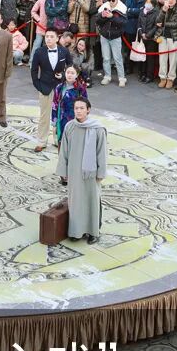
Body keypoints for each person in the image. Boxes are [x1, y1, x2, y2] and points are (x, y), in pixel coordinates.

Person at [57, 97, 108, 244]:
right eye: (76, 108)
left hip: (91, 173)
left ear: (88, 110)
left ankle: (93, 232)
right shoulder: (70, 127)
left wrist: (101, 173)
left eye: (81, 108)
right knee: (76, 202)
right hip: (74, 171)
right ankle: (76, 231)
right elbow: (64, 150)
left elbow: (102, 152)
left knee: (92, 201)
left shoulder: (98, 129)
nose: (78, 111)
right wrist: (64, 171)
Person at [30, 29, 71, 152]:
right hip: (44, 88)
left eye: (51, 36)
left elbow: (70, 67)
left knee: (60, 115)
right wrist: (38, 85)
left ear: (57, 38)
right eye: (47, 36)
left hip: (60, 88)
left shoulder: (64, 51)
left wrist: (63, 75)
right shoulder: (39, 52)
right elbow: (33, 70)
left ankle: (58, 140)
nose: (48, 39)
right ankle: (41, 142)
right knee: (44, 116)